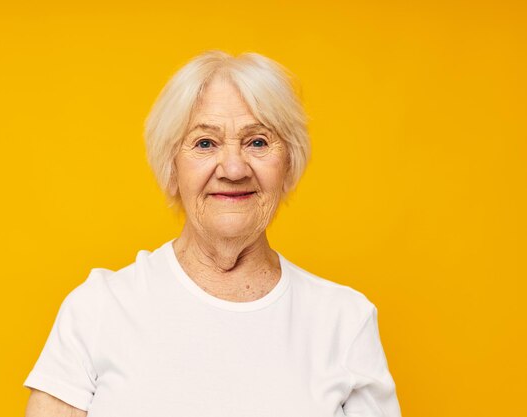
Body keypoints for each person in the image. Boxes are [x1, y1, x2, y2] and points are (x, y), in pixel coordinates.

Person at [23, 50, 402, 417]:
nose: (234, 168)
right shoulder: (97, 309)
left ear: (289, 163)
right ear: (171, 166)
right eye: (205, 143)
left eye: (257, 142)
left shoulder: (345, 321)